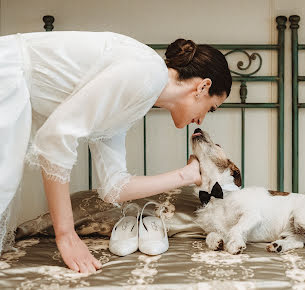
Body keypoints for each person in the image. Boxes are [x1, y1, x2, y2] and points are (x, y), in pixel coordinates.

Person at [0, 31, 232, 274]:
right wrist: (66, 235)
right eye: (212, 108)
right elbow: (56, 136)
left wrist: (187, 174)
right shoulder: (146, 73)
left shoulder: (137, 100)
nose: (202, 120)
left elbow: (114, 187)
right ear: (203, 86)